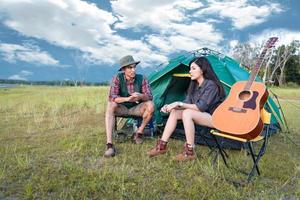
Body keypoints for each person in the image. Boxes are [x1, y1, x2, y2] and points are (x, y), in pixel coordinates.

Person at [147, 57, 225, 161]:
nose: (190, 71)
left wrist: (177, 103)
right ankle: (161, 146)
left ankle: (190, 152)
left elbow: (201, 107)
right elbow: (186, 103)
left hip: (215, 118)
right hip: (201, 115)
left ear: (202, 70)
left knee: (187, 113)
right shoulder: (194, 85)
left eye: (193, 68)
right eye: (190, 69)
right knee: (175, 112)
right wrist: (171, 106)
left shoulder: (211, 85)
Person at [104, 55, 155, 157]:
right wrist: (127, 99)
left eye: (134, 67)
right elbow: (112, 97)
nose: (133, 70)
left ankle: (138, 133)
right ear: (123, 69)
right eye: (130, 68)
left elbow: (150, 96)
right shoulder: (117, 78)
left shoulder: (142, 78)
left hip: (135, 108)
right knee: (110, 105)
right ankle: (109, 144)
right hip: (121, 108)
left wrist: (140, 96)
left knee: (151, 105)